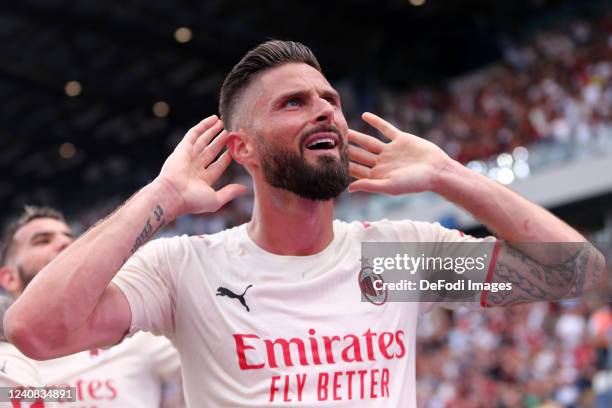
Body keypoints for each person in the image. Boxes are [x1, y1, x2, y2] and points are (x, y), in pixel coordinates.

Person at [4, 41, 604, 407]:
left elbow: (573, 271)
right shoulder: (185, 267)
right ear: (243, 148)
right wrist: (160, 196)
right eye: (293, 102)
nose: (324, 110)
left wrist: (451, 175)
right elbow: (36, 332)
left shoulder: (392, 258)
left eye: (329, 100)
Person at [0, 206, 184, 407]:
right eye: (43, 241)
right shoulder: (8, 365)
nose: (65, 243)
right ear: (9, 278)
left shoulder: (136, 333)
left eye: (70, 237)